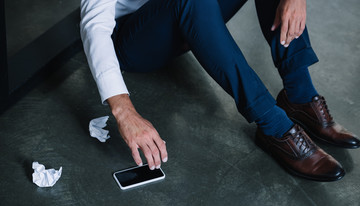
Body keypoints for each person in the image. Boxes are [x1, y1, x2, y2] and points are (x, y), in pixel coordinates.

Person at [80, 0, 359, 181]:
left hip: (190, 16)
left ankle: (300, 94)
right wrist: (123, 109)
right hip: (135, 40)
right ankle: (273, 125)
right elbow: (94, 26)